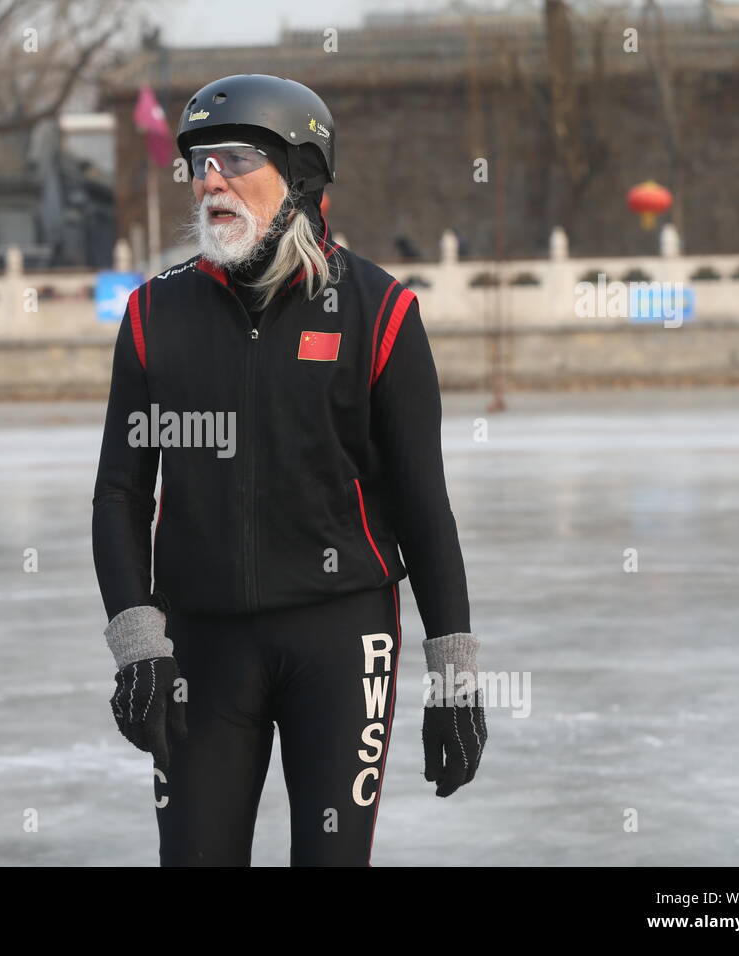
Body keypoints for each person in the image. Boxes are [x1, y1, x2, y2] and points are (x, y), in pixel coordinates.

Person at [92, 74, 486, 867]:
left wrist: (457, 678)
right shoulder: (154, 316)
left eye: (235, 159)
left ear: (300, 173)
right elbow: (121, 492)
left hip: (341, 641)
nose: (210, 180)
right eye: (201, 162)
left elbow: (423, 505)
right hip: (200, 647)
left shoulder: (380, 312)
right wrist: (139, 644)